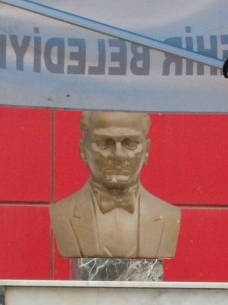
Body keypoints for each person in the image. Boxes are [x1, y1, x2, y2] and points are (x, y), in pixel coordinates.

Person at [49, 111, 180, 260]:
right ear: (83, 151)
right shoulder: (63, 213)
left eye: (130, 144)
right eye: (103, 143)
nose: (118, 155)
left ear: (146, 151)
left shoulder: (168, 215)